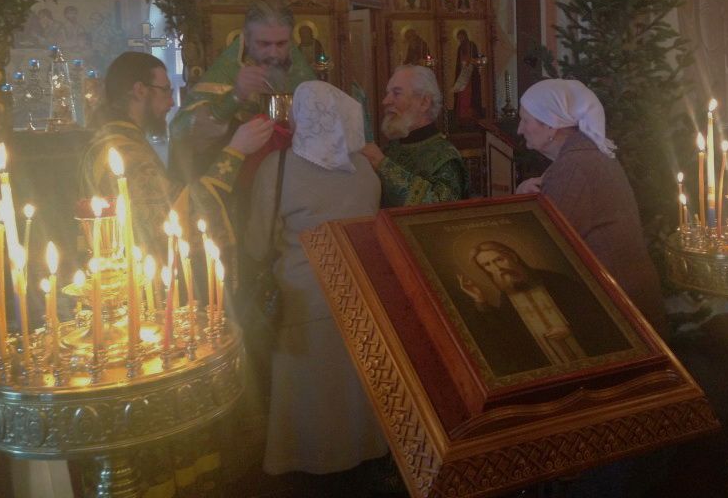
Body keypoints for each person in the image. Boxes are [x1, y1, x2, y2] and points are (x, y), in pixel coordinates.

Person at [245, 81, 388, 477]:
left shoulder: (278, 167)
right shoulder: (364, 168)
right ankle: (361, 457)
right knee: (352, 392)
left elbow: (257, 243)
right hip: (361, 296)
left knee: (308, 396)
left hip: (303, 299)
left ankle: (306, 465)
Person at [78, 51, 273, 265]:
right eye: (165, 91)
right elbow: (177, 212)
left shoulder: (118, 140)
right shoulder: (122, 151)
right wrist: (236, 150)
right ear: (140, 90)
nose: (171, 102)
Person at [514, 79, 668, 336]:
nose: (520, 129)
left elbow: (543, 245)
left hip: (617, 311)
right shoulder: (585, 155)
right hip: (626, 298)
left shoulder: (574, 166)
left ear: (551, 125)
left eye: (525, 120)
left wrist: (518, 203)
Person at [169, 1, 314, 182]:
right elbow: (180, 130)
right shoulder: (226, 71)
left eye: (281, 44)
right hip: (239, 181)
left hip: (293, 179)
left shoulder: (300, 73)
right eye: (264, 44)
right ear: (247, 38)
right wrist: (235, 97)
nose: (274, 53)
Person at [456, 240, 630, 376]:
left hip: (590, 357)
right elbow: (509, 335)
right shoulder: (506, 297)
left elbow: (597, 314)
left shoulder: (555, 280)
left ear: (513, 256)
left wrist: (571, 329)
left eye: (499, 260)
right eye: (487, 265)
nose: (497, 268)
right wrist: (481, 301)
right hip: (549, 367)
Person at [361, 64, 469, 207]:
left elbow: (441, 210)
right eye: (388, 93)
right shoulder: (391, 149)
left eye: (396, 93)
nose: (386, 101)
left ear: (424, 102)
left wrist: (382, 164)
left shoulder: (445, 158)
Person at [450, 29, 482, 125]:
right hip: (462, 76)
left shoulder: (472, 45)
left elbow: (476, 59)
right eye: (459, 38)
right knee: (462, 96)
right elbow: (458, 64)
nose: (460, 39)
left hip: (471, 77)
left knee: (470, 96)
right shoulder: (460, 48)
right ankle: (462, 117)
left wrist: (471, 61)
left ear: (465, 36)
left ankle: (471, 117)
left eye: (461, 37)